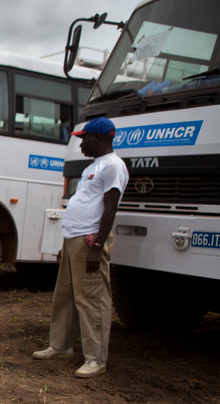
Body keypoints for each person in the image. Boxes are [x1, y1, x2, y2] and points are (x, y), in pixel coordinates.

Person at [32, 117, 129, 378]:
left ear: (98, 137)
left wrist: (98, 246)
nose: (81, 144)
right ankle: (60, 345)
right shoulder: (93, 167)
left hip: (89, 243)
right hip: (73, 241)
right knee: (64, 297)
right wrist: (66, 243)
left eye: (84, 138)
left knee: (92, 300)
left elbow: (110, 209)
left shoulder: (113, 166)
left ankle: (96, 358)